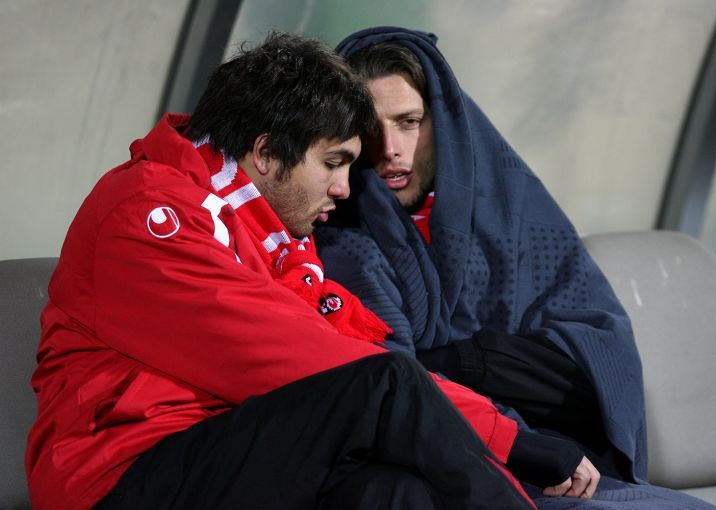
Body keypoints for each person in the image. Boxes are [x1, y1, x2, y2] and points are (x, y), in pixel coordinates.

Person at [22, 31, 589, 510]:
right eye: (334, 163)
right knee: (383, 384)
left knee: (396, 494)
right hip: (120, 475)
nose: (344, 188)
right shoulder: (148, 213)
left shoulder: (269, 233)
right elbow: (293, 357)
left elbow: (344, 347)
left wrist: (498, 435)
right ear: (267, 153)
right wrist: (508, 439)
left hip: (229, 448)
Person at [315, 26, 716, 509]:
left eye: (409, 122)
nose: (389, 148)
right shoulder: (335, 239)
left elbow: (601, 361)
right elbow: (386, 385)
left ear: (446, 122)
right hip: (449, 469)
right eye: (368, 125)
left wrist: (466, 361)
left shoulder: (514, 212)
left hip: (567, 460)